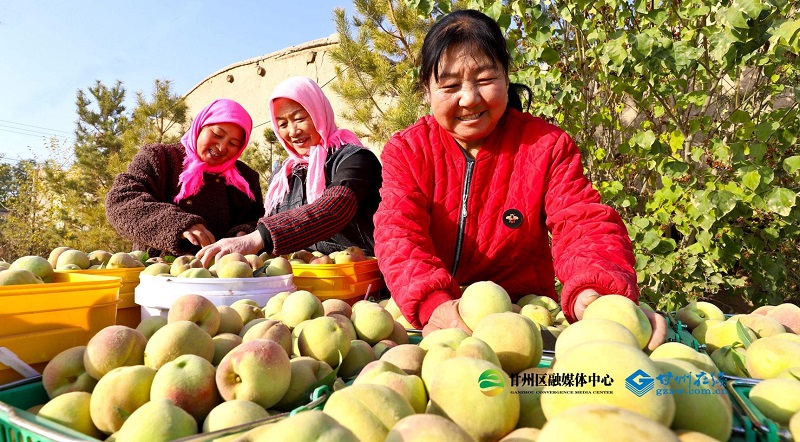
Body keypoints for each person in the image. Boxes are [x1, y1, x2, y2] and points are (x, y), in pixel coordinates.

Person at [373, 9, 666, 349]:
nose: (469, 98)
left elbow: (582, 222)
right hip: (439, 323)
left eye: (485, 79)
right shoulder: (408, 151)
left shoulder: (546, 146)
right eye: (450, 86)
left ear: (506, 75)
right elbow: (398, 231)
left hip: (527, 321)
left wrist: (596, 292)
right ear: (427, 90)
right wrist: (431, 301)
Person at [196, 76, 382, 268]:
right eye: (282, 124)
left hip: (359, 276)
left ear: (319, 113)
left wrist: (258, 238)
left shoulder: (355, 159)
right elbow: (268, 224)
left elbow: (336, 206)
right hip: (302, 279)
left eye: (299, 119)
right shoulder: (283, 176)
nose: (292, 132)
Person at [106, 98, 264, 256]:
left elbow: (254, 219)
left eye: (233, 143)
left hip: (221, 269)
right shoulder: (159, 157)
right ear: (200, 127)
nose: (222, 147)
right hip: (156, 267)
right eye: (217, 134)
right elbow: (121, 200)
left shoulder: (246, 178)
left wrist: (244, 233)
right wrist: (178, 223)